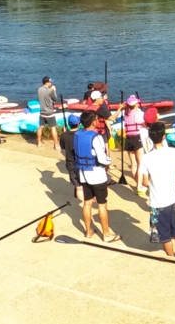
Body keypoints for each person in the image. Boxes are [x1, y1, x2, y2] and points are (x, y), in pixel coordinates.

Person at [139, 121, 175, 259]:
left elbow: (144, 182)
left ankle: (170, 256)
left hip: (157, 203)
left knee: (164, 234)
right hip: (172, 199)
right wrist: (171, 179)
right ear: (163, 137)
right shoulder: (174, 152)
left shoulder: (146, 158)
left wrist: (155, 180)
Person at [74, 111, 119, 243]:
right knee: (102, 205)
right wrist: (108, 161)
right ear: (93, 122)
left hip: (83, 174)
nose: (98, 120)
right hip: (97, 175)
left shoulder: (77, 134)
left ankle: (88, 231)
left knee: (87, 203)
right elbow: (102, 158)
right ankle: (106, 234)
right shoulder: (96, 137)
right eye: (96, 119)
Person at [119, 95, 148, 196]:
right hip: (137, 138)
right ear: (135, 105)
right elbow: (145, 125)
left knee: (133, 164)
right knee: (141, 164)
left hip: (128, 139)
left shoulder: (125, 113)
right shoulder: (139, 113)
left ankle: (138, 184)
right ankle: (140, 186)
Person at [59, 114, 83, 201]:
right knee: (84, 184)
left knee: (78, 187)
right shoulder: (82, 134)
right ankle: (87, 203)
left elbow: (63, 147)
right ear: (79, 123)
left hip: (70, 162)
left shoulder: (64, 135)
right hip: (82, 162)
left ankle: (84, 204)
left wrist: (65, 133)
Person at [36, 77, 60, 150]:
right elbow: (55, 99)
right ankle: (56, 145)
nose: (51, 83)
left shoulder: (39, 89)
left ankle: (39, 143)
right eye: (50, 82)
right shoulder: (50, 91)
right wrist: (54, 90)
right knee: (53, 128)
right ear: (47, 82)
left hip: (42, 112)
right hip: (50, 112)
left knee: (41, 127)